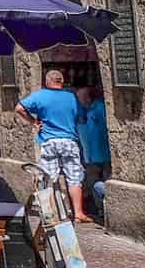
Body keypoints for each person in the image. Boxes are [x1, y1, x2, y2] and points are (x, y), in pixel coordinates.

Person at [17, 69, 92, 222]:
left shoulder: (40, 96)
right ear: (62, 82)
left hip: (49, 141)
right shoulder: (71, 97)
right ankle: (78, 213)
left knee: (47, 177)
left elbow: (19, 108)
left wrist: (34, 122)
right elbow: (82, 117)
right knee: (74, 178)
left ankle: (49, 213)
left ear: (47, 81)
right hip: (68, 142)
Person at [76, 84, 111, 197]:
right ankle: (98, 209)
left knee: (106, 184)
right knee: (93, 183)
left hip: (103, 154)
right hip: (91, 157)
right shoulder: (86, 110)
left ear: (88, 98)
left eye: (80, 98)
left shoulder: (99, 108)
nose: (79, 101)